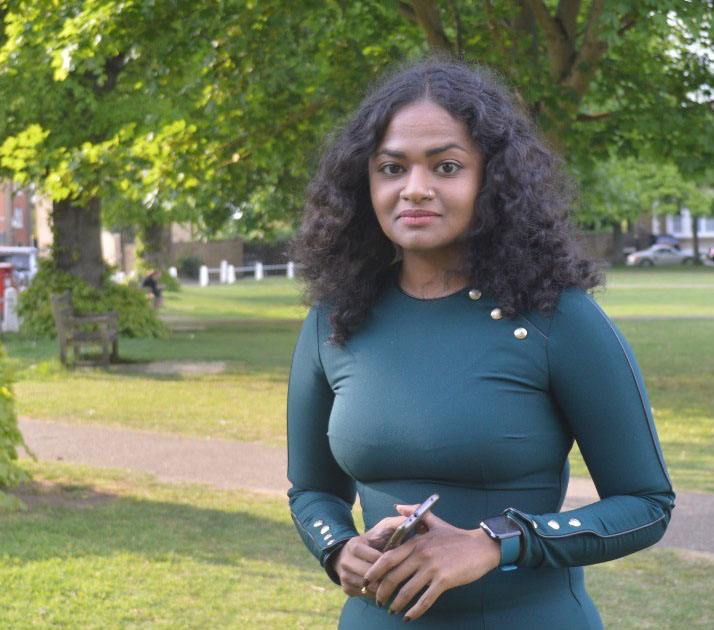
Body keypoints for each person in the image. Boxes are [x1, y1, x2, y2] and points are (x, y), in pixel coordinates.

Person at [286, 60, 674, 629]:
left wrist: (496, 542)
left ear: (490, 180)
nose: (415, 188)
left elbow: (646, 505)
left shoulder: (557, 318)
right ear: (363, 184)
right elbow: (313, 489)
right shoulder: (334, 321)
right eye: (391, 167)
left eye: (446, 166)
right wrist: (339, 549)